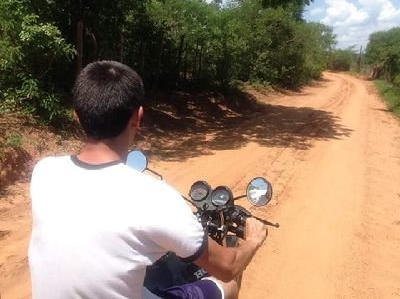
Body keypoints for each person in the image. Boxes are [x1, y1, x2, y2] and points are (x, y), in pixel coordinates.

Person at [28, 60, 268, 299]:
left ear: (77, 117)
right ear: (138, 117)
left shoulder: (44, 172)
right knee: (225, 285)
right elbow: (228, 266)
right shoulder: (154, 197)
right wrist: (254, 239)